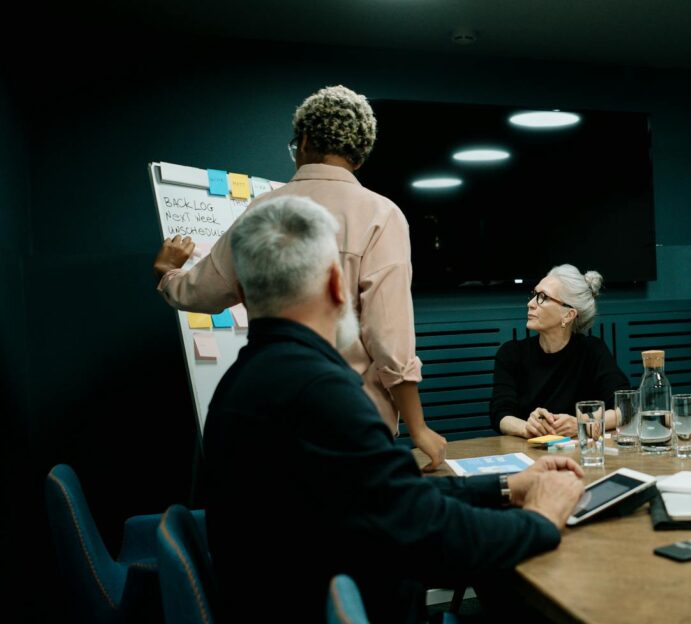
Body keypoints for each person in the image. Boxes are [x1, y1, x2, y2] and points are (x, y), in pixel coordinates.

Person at [202, 195, 585, 622]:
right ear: (336, 284)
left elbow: (387, 495)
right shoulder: (321, 393)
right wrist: (542, 521)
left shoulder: (245, 381)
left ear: (240, 293)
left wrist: (506, 486)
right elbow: (425, 532)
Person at [151, 85, 447, 470]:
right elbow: (389, 336)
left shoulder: (262, 211)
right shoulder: (381, 215)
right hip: (354, 420)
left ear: (304, 140)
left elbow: (198, 293)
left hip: (267, 411)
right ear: (359, 156)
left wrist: (167, 271)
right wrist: (418, 426)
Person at [490, 265, 630, 438]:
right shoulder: (511, 353)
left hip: (581, 455)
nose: (530, 304)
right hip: (529, 454)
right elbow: (500, 414)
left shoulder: (592, 350)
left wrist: (582, 421)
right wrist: (527, 427)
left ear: (568, 315)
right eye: (534, 295)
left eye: (543, 297)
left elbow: (626, 408)